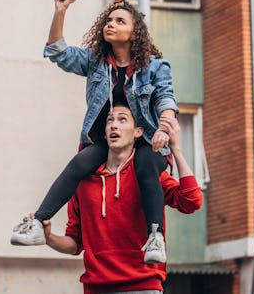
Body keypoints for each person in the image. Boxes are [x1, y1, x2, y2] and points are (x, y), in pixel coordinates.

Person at [11, 0, 178, 264]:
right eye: (108, 20)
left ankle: (155, 238)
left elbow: (166, 99)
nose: (110, 24)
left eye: (119, 21)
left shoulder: (155, 67)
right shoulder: (95, 62)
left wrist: (163, 127)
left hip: (147, 139)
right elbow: (57, 51)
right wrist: (60, 10)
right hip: (107, 140)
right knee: (79, 162)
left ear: (134, 32)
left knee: (146, 164)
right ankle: (38, 223)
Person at [43, 103, 203, 294]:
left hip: (143, 286)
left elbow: (191, 201)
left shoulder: (148, 177)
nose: (114, 125)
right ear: (104, 133)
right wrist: (49, 238)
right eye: (110, 120)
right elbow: (75, 243)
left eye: (122, 119)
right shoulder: (83, 182)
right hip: (96, 288)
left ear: (137, 131)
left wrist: (176, 148)